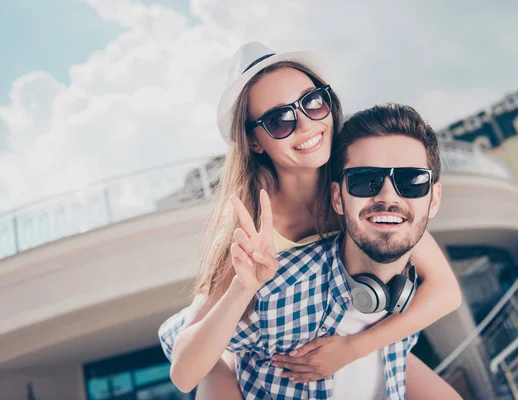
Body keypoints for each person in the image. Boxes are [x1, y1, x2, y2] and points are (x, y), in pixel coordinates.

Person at [159, 42, 462, 398]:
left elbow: (445, 291)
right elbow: (184, 371)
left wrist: (354, 349)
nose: (305, 124)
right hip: (275, 352)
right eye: (279, 120)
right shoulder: (251, 225)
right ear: (254, 141)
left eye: (312, 102)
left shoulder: (362, 186)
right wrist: (243, 288)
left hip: (354, 335)